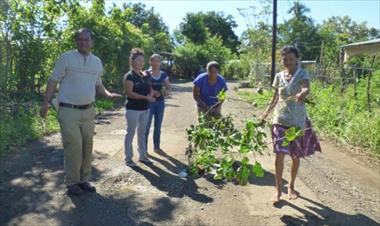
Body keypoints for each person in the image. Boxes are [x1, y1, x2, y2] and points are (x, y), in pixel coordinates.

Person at [40, 28, 121, 196]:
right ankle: (71, 182)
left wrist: (107, 94)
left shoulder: (96, 62)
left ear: (91, 42)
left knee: (87, 146)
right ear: (76, 41)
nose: (83, 42)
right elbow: (53, 80)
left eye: (86, 39)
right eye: (80, 39)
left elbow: (98, 84)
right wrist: (46, 103)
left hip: (89, 111)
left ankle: (83, 180)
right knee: (74, 146)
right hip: (68, 110)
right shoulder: (66, 58)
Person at [262, 45, 322, 204]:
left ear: (297, 59)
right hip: (280, 120)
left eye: (290, 59)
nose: (287, 62)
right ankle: (278, 190)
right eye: (284, 59)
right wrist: (265, 114)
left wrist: (303, 93)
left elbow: (305, 87)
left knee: (295, 157)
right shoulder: (279, 76)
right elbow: (275, 98)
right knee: (279, 155)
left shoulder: (302, 73)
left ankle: (292, 186)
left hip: (296, 123)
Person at [123, 48, 155, 167]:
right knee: (130, 133)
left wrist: (151, 95)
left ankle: (143, 156)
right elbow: (130, 93)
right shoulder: (129, 76)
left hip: (145, 108)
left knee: (142, 133)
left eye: (142, 60)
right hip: (132, 109)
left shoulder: (145, 74)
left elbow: (149, 87)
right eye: (138, 60)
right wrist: (145, 98)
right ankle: (128, 158)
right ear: (132, 61)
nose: (141, 63)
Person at [145, 54, 171, 154]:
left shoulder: (163, 75)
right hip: (148, 103)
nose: (156, 63)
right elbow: (141, 88)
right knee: (146, 127)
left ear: (160, 63)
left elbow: (169, 88)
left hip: (160, 103)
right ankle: (144, 149)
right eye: (154, 61)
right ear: (150, 62)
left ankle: (157, 147)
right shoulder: (146, 73)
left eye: (158, 61)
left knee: (158, 126)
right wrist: (150, 93)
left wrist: (164, 92)